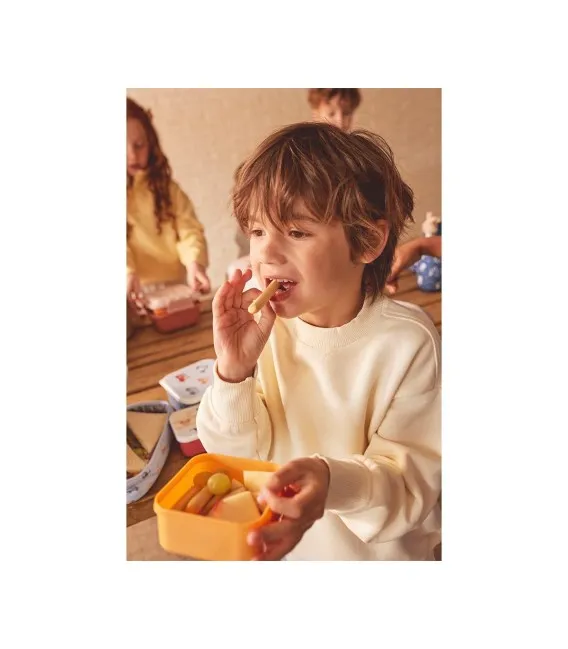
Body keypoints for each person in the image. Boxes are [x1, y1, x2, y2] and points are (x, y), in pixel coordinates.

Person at [197, 122, 441, 561]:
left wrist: (331, 482)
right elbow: (234, 456)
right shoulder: (264, 332)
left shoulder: (408, 343)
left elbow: (408, 490)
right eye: (257, 231)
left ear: (366, 241)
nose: (266, 254)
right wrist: (233, 373)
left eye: (296, 232)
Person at [126, 98, 210, 308]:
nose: (132, 155)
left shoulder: (168, 190)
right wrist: (127, 272)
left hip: (177, 286)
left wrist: (194, 264)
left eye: (139, 145)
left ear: (151, 143)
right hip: (134, 288)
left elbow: (189, 230)